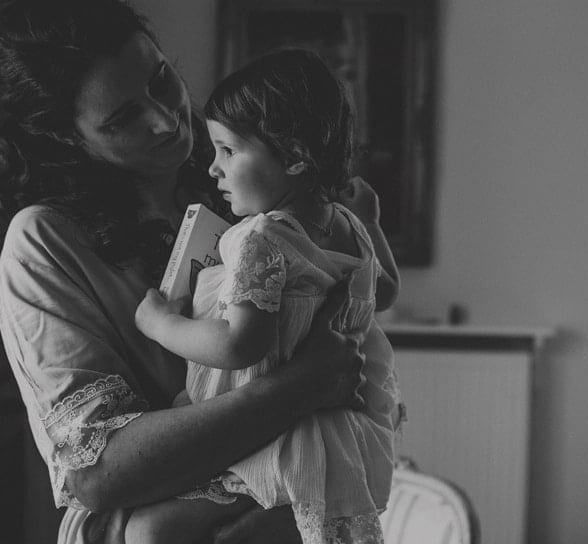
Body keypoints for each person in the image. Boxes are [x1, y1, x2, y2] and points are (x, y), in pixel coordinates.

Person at [0, 1, 396, 543]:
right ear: (67, 136)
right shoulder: (47, 243)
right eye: (122, 118)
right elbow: (100, 471)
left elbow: (351, 341)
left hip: (294, 500)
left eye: (161, 80)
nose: (164, 120)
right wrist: (298, 389)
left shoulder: (256, 188)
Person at [127, 49, 401, 544]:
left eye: (228, 151)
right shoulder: (349, 227)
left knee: (151, 531)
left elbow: (239, 345)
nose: (213, 169)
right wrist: (375, 223)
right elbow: (385, 292)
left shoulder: (263, 238)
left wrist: (160, 324)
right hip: (337, 433)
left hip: (275, 438)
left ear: (294, 157)